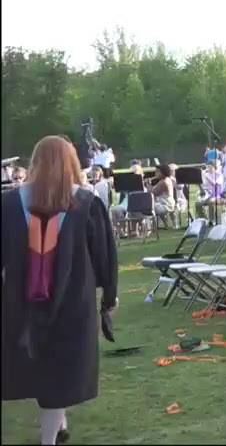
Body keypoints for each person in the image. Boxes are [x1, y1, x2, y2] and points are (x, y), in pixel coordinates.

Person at [1, 136, 118, 446]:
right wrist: (109, 298)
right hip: (72, 302)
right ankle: (49, 440)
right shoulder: (86, 203)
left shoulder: (10, 204)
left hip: (22, 302)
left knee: (47, 367)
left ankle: (58, 424)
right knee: (58, 370)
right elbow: (105, 257)